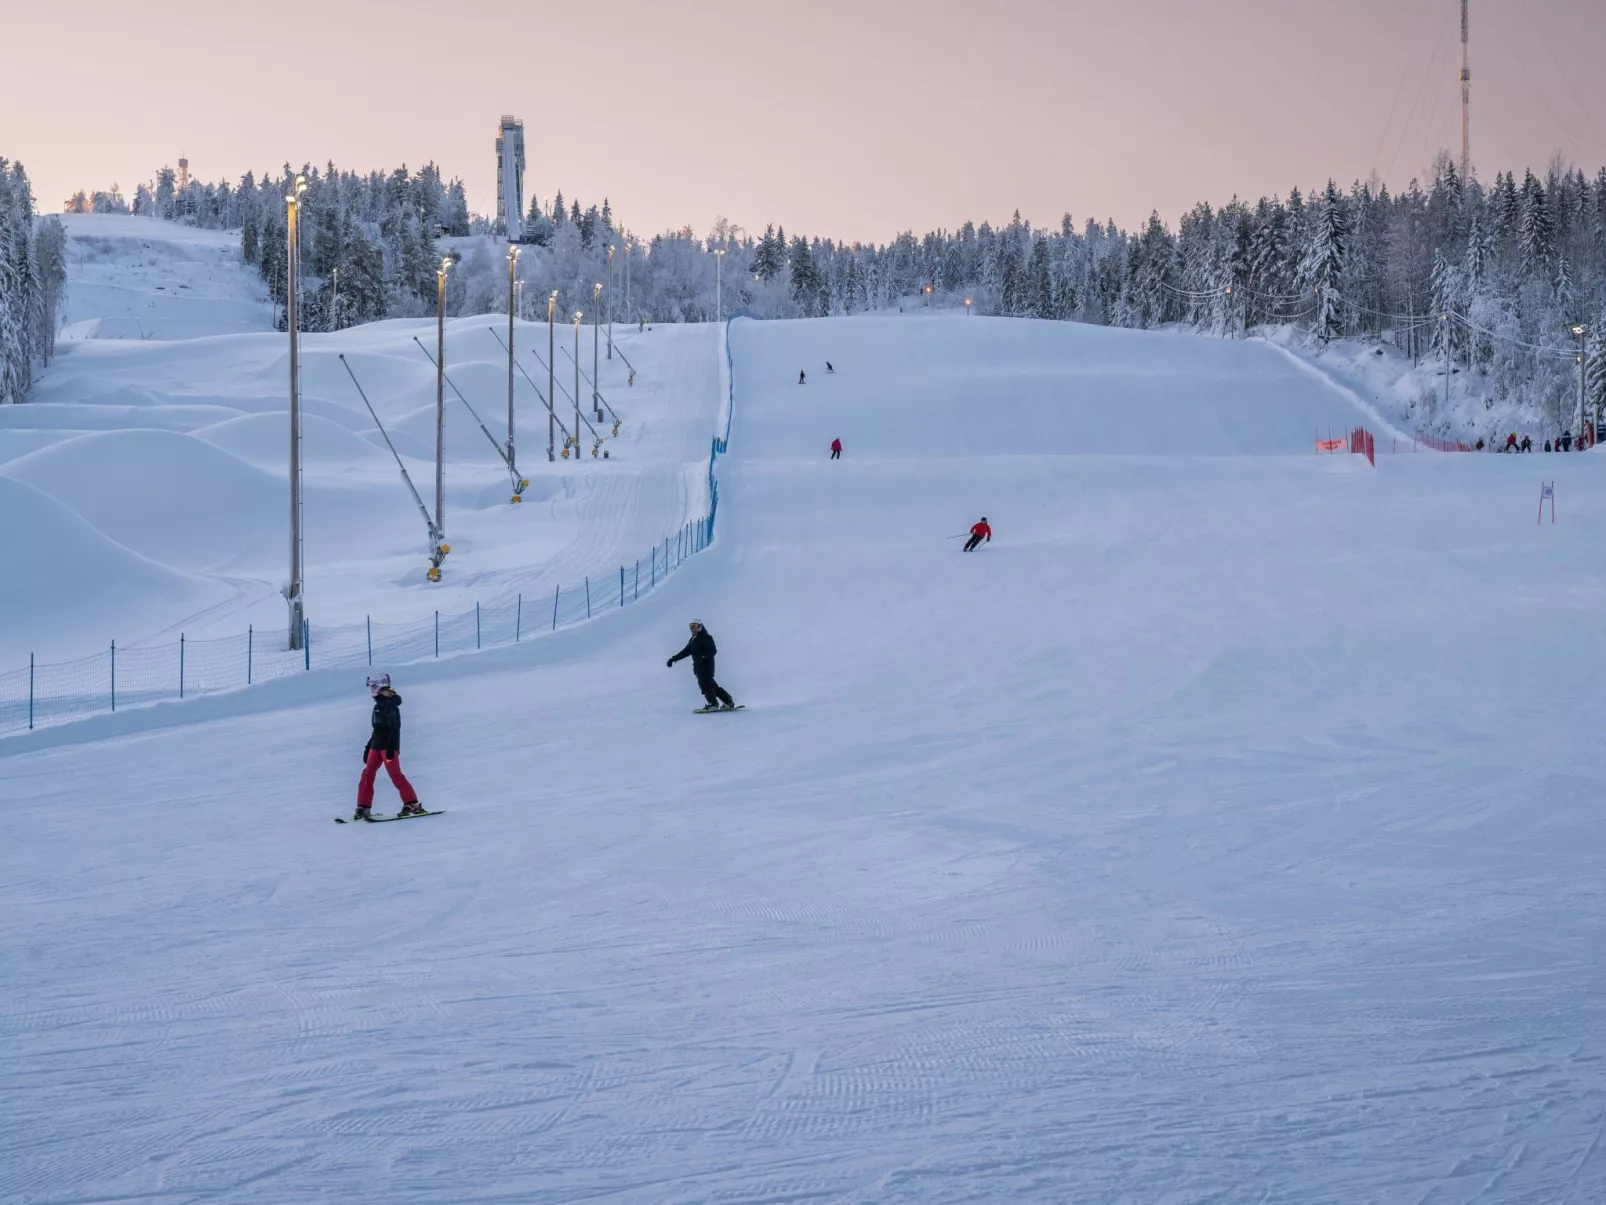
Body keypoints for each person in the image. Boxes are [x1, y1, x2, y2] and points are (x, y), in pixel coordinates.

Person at [355, 675, 422, 821]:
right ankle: (363, 807)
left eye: (373, 687)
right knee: (367, 774)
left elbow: (394, 728)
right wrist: (368, 747)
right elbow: (377, 729)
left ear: (379, 688)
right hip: (376, 746)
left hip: (387, 747)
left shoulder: (390, 706)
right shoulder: (377, 706)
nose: (371, 690)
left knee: (395, 775)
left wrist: (391, 748)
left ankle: (411, 804)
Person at [667, 621, 736, 710]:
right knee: (712, 686)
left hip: (706, 666)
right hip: (698, 667)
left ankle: (713, 704)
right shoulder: (692, 640)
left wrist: (704, 656)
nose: (694, 629)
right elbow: (685, 652)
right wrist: (673, 659)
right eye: (692, 627)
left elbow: (713, 650)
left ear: (701, 627)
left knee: (705, 685)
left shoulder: (706, 637)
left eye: (696, 626)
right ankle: (728, 702)